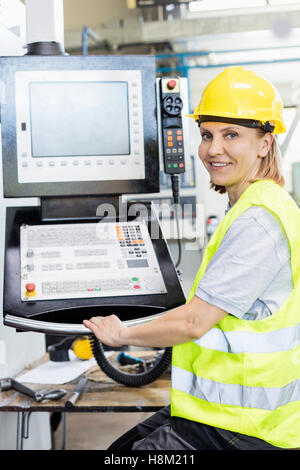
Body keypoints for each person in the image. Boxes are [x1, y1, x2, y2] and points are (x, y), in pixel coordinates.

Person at [83, 66, 300, 450]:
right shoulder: (251, 208)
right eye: (206, 135)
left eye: (231, 135)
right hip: (219, 411)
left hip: (246, 425)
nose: (213, 149)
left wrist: (123, 335)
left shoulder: (259, 219)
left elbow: (194, 321)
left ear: (265, 143)